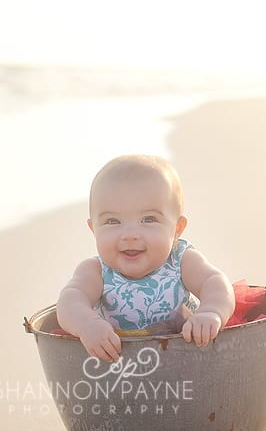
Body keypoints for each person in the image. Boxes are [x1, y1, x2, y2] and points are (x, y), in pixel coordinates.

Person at [56, 154, 235, 361]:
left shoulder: (181, 260)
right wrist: (88, 325)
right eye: (112, 221)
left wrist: (210, 311)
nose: (130, 234)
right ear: (93, 229)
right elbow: (70, 300)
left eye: (148, 219)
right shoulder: (96, 271)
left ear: (177, 229)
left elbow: (215, 281)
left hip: (186, 355)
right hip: (122, 363)